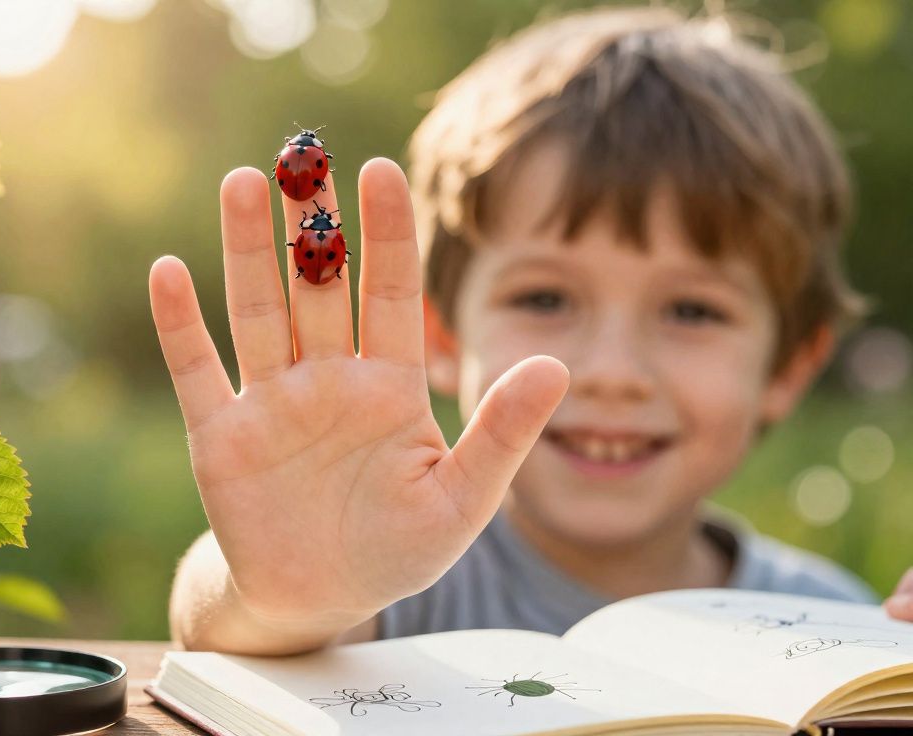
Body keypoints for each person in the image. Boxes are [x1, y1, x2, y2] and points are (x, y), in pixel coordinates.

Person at [146, 5, 913, 656]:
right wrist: (284, 600)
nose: (613, 371)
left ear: (787, 365)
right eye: (546, 298)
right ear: (439, 337)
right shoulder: (398, 582)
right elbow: (227, 627)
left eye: (692, 311)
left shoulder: (836, 624)